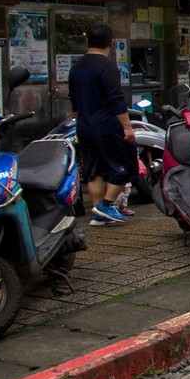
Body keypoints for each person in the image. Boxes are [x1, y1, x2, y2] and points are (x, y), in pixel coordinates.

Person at [68, 23, 136, 226]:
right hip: (107, 126)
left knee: (94, 170)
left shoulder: (76, 67)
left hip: (84, 126)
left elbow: (74, 100)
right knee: (127, 165)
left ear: (88, 41)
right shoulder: (107, 66)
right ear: (111, 42)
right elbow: (116, 99)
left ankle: (98, 214)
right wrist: (127, 126)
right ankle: (106, 205)